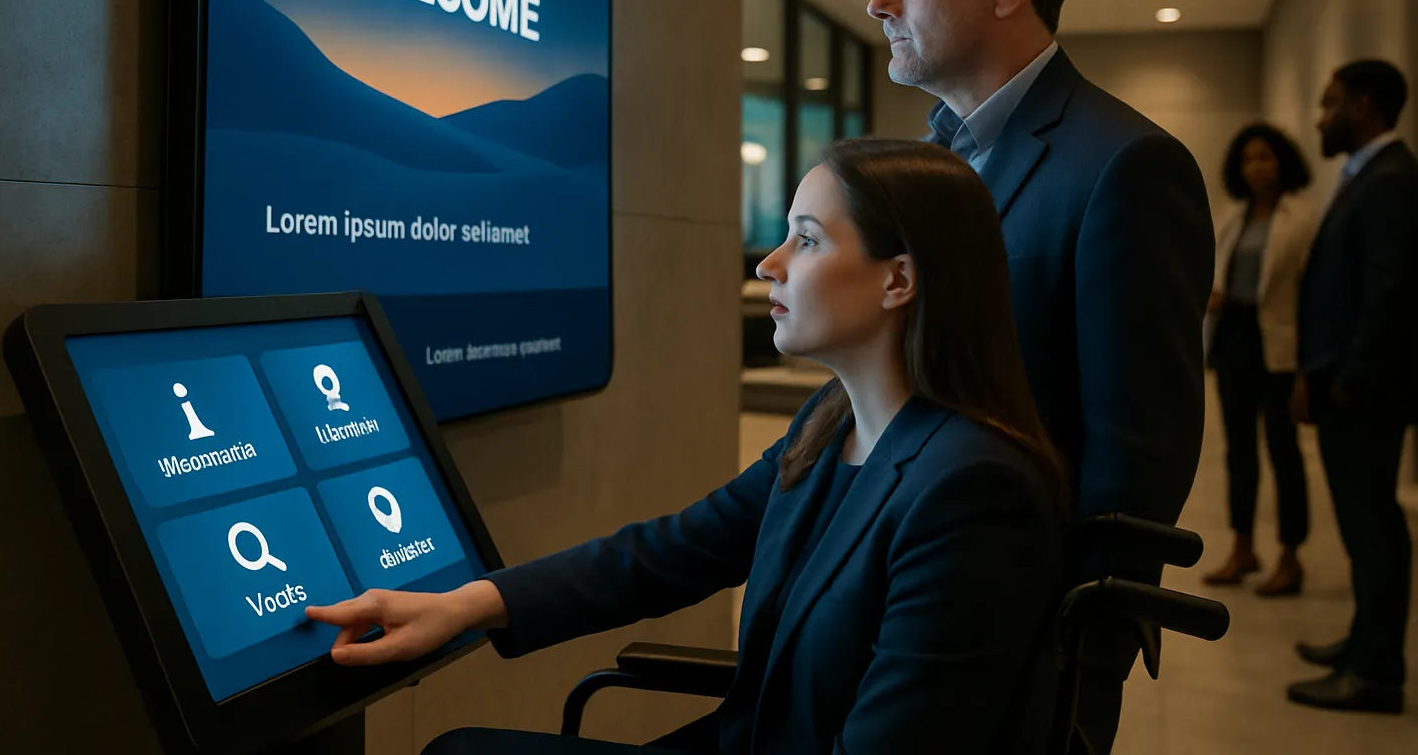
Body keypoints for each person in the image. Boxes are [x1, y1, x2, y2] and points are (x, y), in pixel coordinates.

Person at [308, 140, 1069, 754]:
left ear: (898, 280)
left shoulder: (973, 490)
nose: (769, 264)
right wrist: (469, 604)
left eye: (806, 240)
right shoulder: (830, 423)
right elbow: (671, 551)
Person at [865, 0, 1214, 752]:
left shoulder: (1125, 165)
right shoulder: (934, 163)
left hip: (1020, 637)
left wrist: (1083, 658)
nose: (877, 0)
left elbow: (1139, 450)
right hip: (897, 595)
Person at [1288, 59, 1418, 714]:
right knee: (1364, 526)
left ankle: (1376, 673)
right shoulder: (1371, 176)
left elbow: (1388, 291)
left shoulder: (1391, 180)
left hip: (1363, 391)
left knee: (1374, 528)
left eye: (1330, 102)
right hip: (1349, 383)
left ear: (1364, 106)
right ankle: (1365, 644)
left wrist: (1348, 380)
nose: (1321, 117)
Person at [1201, 123, 1315, 595]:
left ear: (1283, 162)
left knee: (1283, 451)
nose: (1256, 167)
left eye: (1265, 157)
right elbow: (1220, 271)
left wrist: (1309, 366)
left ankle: (1290, 554)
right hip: (1234, 339)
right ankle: (1242, 547)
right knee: (1239, 452)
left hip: (1281, 348)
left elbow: (1311, 294)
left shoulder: (1301, 220)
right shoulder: (1235, 216)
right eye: (1248, 159)